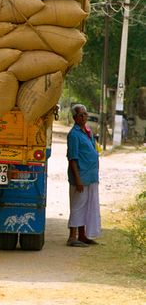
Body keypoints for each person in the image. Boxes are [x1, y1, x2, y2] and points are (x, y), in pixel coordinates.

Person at [66, 104, 101, 247]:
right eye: (80, 115)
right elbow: (72, 158)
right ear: (74, 118)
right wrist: (78, 179)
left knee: (87, 206)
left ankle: (83, 235)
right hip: (80, 177)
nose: (83, 117)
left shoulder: (87, 131)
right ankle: (72, 237)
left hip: (91, 176)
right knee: (77, 206)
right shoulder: (73, 134)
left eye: (85, 114)